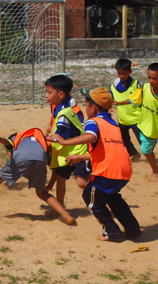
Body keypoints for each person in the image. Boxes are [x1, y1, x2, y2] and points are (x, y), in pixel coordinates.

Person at [53, 87, 142, 241]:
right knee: (113, 198)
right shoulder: (114, 124)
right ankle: (133, 230)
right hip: (123, 171)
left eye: (86, 104)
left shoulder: (94, 122)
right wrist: (81, 157)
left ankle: (112, 232)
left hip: (107, 172)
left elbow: (91, 137)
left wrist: (65, 142)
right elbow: (108, 150)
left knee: (91, 198)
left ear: (93, 108)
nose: (85, 107)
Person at [0, 128, 76, 225]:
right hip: (41, 160)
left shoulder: (15, 138)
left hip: (23, 158)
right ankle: (65, 214)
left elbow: (7, 142)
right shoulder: (36, 137)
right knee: (41, 193)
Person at [114, 62, 158, 181]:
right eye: (149, 77)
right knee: (145, 147)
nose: (151, 80)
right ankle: (155, 169)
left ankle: (156, 171)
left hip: (155, 126)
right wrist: (119, 103)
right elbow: (133, 100)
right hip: (143, 124)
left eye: (154, 78)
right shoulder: (144, 89)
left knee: (146, 149)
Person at [44, 74, 90, 211]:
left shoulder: (65, 113)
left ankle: (106, 200)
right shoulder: (58, 106)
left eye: (49, 92)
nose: (46, 96)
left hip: (78, 152)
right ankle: (60, 208)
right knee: (60, 179)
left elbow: (59, 138)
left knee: (82, 183)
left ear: (61, 94)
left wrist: (42, 137)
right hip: (67, 153)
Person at [110, 58, 142, 161]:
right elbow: (110, 98)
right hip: (123, 119)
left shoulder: (137, 85)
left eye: (124, 73)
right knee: (124, 139)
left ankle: (151, 158)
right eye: (119, 73)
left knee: (142, 141)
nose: (121, 76)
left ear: (130, 71)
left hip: (137, 120)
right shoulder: (114, 86)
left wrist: (119, 103)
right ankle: (135, 154)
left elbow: (136, 100)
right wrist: (109, 107)